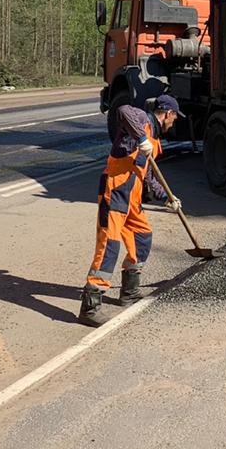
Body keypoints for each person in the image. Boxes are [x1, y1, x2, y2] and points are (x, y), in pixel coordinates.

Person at [78, 95, 183, 324]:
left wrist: (168, 198)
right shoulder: (142, 120)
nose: (174, 123)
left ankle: (129, 292)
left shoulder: (154, 141)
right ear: (167, 113)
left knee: (142, 237)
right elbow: (123, 110)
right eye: (174, 118)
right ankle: (90, 306)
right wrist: (142, 138)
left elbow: (150, 179)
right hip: (115, 192)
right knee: (109, 247)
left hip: (132, 200)